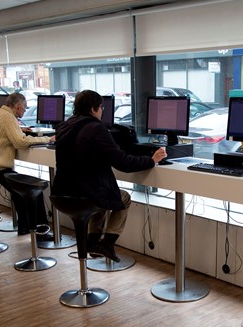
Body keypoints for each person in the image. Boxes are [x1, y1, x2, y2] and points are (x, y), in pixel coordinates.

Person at [52, 90, 167, 261]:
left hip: (61, 194)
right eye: (101, 108)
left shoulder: (64, 126)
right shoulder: (96, 128)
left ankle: (92, 241)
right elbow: (122, 163)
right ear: (93, 109)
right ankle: (107, 243)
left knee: (102, 196)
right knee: (123, 198)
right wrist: (151, 161)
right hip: (85, 195)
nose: (102, 112)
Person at [0, 93, 53, 235]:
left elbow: (2, 132)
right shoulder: (8, 117)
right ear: (18, 107)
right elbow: (20, 142)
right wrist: (48, 139)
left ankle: (24, 227)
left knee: (19, 192)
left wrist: (19, 130)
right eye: (25, 107)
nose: (25, 109)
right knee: (34, 192)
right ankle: (40, 233)